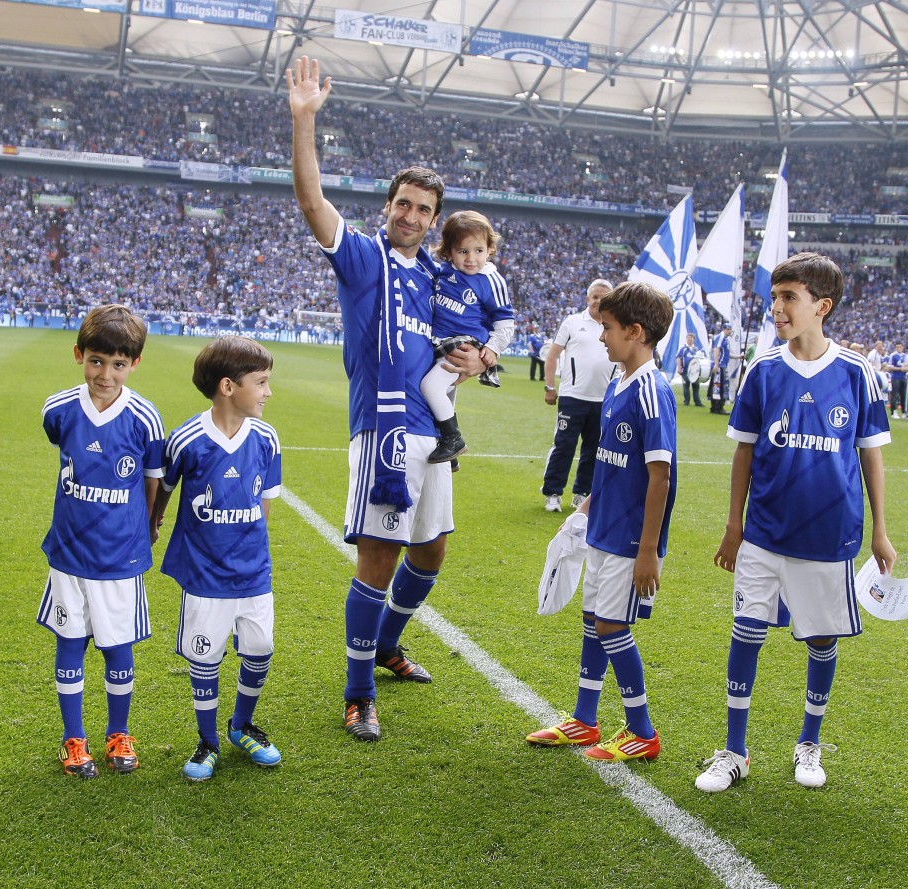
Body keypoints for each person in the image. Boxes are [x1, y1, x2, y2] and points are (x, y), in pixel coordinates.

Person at [288, 56, 486, 742]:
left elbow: (474, 338)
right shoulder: (364, 259)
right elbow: (312, 202)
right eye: (403, 203)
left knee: (430, 552)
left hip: (433, 431)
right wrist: (304, 118)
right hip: (385, 430)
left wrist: (480, 355)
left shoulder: (438, 275)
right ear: (388, 207)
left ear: (434, 222)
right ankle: (357, 691)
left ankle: (385, 645)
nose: (411, 215)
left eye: (423, 209)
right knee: (379, 557)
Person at [696, 252, 895, 793]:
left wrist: (880, 529)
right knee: (747, 632)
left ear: (821, 306)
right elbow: (744, 453)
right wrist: (733, 525)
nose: (776, 307)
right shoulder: (763, 371)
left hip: (829, 535)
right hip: (762, 531)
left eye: (789, 297)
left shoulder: (857, 374)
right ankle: (735, 750)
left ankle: (809, 742)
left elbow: (870, 454)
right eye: (774, 297)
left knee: (821, 639)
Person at [525, 282, 676, 762]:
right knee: (594, 622)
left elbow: (660, 477)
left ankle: (642, 732)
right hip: (603, 528)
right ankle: (585, 721)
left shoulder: (652, 391)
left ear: (635, 332)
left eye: (607, 328)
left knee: (613, 627)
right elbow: (611, 464)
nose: (601, 335)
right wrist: (583, 511)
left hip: (632, 539)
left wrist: (649, 550)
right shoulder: (617, 381)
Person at [36, 304, 165, 779]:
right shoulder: (59, 409)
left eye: (117, 364)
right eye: (95, 361)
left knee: (118, 648)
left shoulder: (145, 419)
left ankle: (118, 732)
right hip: (69, 554)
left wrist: (149, 527)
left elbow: (152, 482)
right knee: (69, 643)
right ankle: (73, 740)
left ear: (134, 364)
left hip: (121, 557)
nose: (104, 374)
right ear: (78, 355)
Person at [150, 337, 284, 780]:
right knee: (206, 658)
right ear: (228, 386)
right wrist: (153, 524)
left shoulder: (266, 438)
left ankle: (241, 725)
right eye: (261, 382)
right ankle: (207, 741)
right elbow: (163, 491)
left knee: (260, 649)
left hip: (253, 573)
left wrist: (249, 547)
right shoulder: (187, 439)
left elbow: (264, 504)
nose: (267, 392)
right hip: (205, 575)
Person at [420, 210, 516, 464]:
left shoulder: (491, 280)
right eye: (463, 251)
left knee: (430, 387)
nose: (471, 259)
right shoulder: (443, 272)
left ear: (489, 250)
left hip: (462, 345)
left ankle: (454, 438)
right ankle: (450, 452)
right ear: (449, 251)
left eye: (479, 250)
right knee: (441, 393)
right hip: (437, 343)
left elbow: (505, 322)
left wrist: (492, 349)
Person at [541, 279, 616, 513]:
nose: (598, 301)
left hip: (603, 400)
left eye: (603, 297)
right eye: (595, 297)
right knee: (564, 446)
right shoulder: (573, 322)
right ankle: (552, 493)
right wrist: (550, 386)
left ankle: (581, 495)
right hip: (573, 397)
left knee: (593, 450)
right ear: (587, 299)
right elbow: (553, 355)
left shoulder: (615, 325)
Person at [675, 332, 706, 407]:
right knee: (686, 386)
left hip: (695, 371)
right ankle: (686, 401)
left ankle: (697, 401)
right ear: (686, 339)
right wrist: (679, 368)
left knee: (696, 386)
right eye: (689, 337)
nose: (690, 338)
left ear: (694, 339)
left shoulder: (697, 350)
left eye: (692, 337)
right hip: (685, 370)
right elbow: (678, 358)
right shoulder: (683, 349)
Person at [709, 324, 732, 414]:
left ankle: (715, 406)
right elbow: (716, 349)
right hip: (720, 366)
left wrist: (739, 356)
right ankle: (718, 406)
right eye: (728, 329)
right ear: (725, 329)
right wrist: (716, 364)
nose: (730, 331)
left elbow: (726, 354)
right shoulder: (721, 337)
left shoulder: (726, 339)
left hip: (722, 365)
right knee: (719, 386)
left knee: (717, 386)